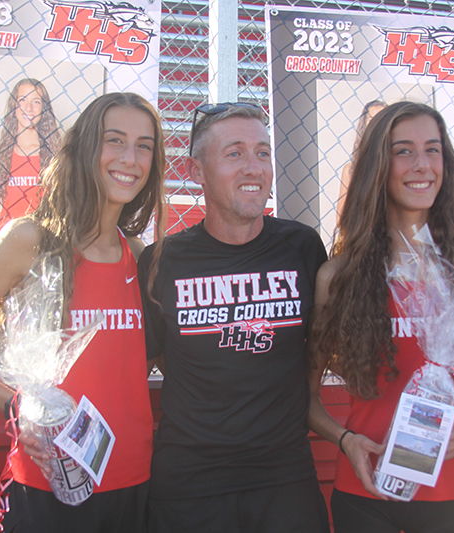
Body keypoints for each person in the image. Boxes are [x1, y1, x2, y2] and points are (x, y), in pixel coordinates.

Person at [0, 92, 166, 533]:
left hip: (134, 483)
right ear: (86, 147)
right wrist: (19, 408)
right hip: (47, 482)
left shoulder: (138, 256)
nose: (130, 158)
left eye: (144, 145)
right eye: (115, 140)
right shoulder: (30, 241)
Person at [308, 101, 454, 533]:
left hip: (453, 495)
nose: (422, 165)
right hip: (366, 492)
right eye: (404, 151)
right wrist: (346, 441)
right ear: (378, 167)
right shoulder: (338, 277)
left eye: (432, 150)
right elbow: (305, 399)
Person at [138, 102, 330, 533]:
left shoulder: (301, 247)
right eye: (234, 153)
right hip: (188, 482)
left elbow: (323, 349)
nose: (254, 168)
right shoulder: (162, 262)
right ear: (195, 170)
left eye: (263, 153)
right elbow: (148, 363)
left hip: (284, 477)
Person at [0, 78, 60, 237]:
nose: (29, 108)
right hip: (7, 241)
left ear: (44, 108)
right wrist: (16, 229)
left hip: (43, 242)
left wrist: (38, 229)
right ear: (14, 106)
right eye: (22, 100)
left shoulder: (56, 156)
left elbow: (64, 208)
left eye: (36, 102)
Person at [336, 99, 386, 223]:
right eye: (372, 118)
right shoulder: (351, 170)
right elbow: (341, 215)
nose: (377, 123)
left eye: (382, 118)